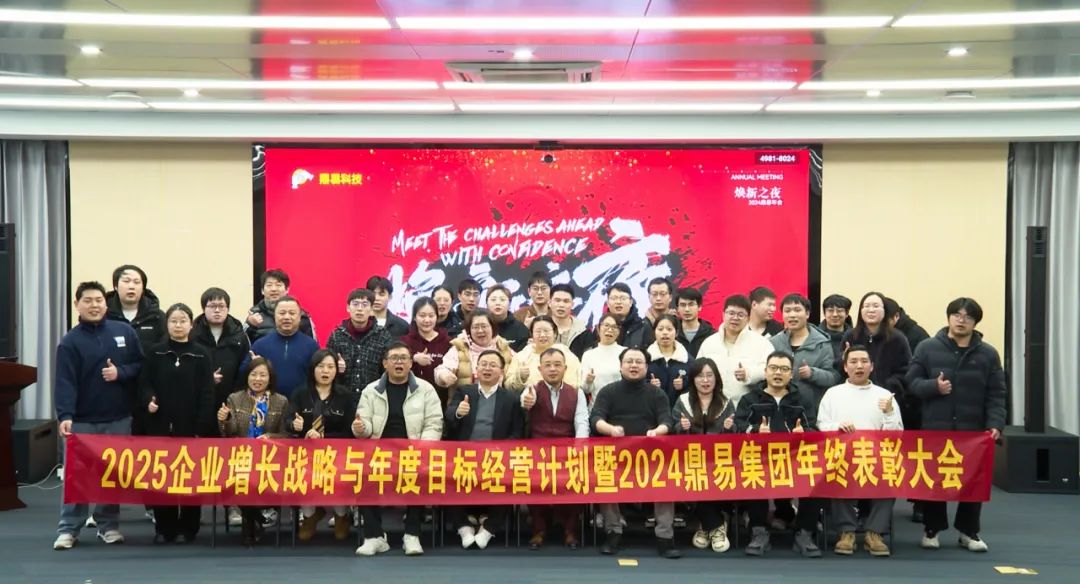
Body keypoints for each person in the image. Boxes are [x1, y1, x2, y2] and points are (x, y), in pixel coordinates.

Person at [907, 297, 1006, 553]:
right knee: (934, 479)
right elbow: (912, 383)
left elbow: (997, 394)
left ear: (975, 322)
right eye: (957, 315)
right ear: (949, 317)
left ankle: (968, 531)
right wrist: (934, 387)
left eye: (968, 317)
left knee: (972, 481)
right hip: (935, 427)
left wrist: (995, 423)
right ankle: (932, 529)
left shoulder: (988, 354)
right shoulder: (927, 348)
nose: (962, 321)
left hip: (973, 430)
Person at [53, 282, 144, 551]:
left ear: (106, 303)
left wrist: (120, 373)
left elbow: (140, 365)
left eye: (98, 300)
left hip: (117, 417)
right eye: (88, 301)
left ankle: (108, 525)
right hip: (82, 420)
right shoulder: (70, 342)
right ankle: (69, 529)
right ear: (77, 305)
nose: (94, 305)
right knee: (77, 476)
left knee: (111, 475)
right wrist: (65, 415)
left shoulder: (124, 332)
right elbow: (65, 382)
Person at [353, 342, 444, 556]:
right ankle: (374, 536)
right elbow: (364, 425)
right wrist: (360, 428)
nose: (399, 362)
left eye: (404, 358)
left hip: (414, 451)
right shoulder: (371, 391)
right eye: (394, 358)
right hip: (379, 453)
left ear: (411, 363)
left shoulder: (425, 389)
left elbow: (434, 423)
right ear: (385, 363)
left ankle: (412, 534)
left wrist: (423, 448)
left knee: (420, 474)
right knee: (362, 475)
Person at [591, 347, 679, 559]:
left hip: (650, 456)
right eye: (629, 361)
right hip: (616, 456)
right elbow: (596, 419)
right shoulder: (608, 391)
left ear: (646, 367)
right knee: (604, 477)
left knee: (666, 479)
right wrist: (611, 429)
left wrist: (657, 432)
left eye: (639, 362)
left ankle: (665, 537)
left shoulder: (657, 394)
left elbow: (667, 422)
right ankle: (613, 532)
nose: (633, 365)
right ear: (621, 366)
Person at [139, 303, 215, 544]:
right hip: (160, 424)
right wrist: (149, 399)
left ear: (191, 325)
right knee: (162, 478)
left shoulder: (202, 354)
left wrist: (201, 427)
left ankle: (189, 528)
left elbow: (207, 393)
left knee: (191, 478)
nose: (178, 325)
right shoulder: (155, 352)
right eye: (173, 321)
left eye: (183, 321)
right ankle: (164, 527)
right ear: (167, 324)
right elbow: (144, 383)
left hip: (191, 426)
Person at [734, 351, 822, 558]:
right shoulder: (749, 399)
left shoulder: (802, 399)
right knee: (752, 472)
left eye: (784, 369)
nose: (778, 373)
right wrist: (756, 431)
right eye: (773, 368)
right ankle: (759, 532)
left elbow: (813, 428)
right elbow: (738, 428)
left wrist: (804, 433)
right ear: (765, 372)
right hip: (761, 459)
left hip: (794, 459)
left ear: (791, 374)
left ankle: (805, 533)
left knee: (816, 475)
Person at [817, 345, 903, 557]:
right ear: (845, 367)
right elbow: (821, 424)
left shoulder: (885, 396)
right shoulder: (833, 394)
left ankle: (875, 533)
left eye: (864, 361)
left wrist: (889, 413)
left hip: (876, 458)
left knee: (891, 475)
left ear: (871, 367)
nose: (859, 366)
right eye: (853, 362)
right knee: (834, 473)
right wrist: (837, 426)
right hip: (842, 456)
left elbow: (896, 435)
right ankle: (846, 531)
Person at [445, 350, 524, 550]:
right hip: (465, 456)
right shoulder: (465, 392)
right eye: (483, 364)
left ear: (502, 371)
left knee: (511, 483)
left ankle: (488, 529)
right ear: (476, 368)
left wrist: (502, 450)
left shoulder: (511, 398)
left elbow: (518, 432)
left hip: (496, 458)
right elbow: (449, 419)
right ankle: (464, 528)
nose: (487, 368)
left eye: (493, 365)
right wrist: (458, 413)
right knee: (445, 481)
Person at [520, 348, 589, 550]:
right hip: (537, 452)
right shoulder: (531, 390)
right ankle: (539, 530)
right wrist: (526, 402)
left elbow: (582, 422)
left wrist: (579, 448)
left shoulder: (576, 393)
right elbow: (524, 401)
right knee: (533, 483)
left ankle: (570, 530)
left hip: (567, 452)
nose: (552, 369)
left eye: (557, 365)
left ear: (565, 368)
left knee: (576, 480)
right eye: (548, 365)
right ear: (540, 369)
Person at [217, 358, 290, 545]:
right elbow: (229, 433)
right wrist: (225, 420)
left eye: (262, 375)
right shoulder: (235, 398)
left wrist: (270, 437)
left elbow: (286, 434)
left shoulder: (280, 401)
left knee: (256, 478)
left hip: (269, 459)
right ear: (247, 376)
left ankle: (251, 522)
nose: (257, 379)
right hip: (240, 458)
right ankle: (256, 519)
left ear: (270, 378)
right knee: (242, 478)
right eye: (254, 374)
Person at [288, 349, 355, 542]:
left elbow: (349, 431)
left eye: (330, 367)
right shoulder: (300, 393)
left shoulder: (344, 395)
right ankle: (309, 515)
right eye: (321, 366)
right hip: (306, 453)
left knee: (338, 474)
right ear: (313, 369)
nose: (325, 371)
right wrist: (294, 425)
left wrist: (324, 437)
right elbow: (288, 421)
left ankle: (341, 515)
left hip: (337, 454)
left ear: (336, 371)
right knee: (300, 472)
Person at [672, 358, 736, 553]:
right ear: (693, 379)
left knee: (717, 475)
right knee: (691, 476)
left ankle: (706, 526)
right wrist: (681, 427)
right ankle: (716, 525)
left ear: (717, 379)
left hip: (719, 460)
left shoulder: (726, 402)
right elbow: (673, 431)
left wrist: (729, 429)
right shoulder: (683, 401)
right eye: (700, 376)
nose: (705, 380)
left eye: (710, 376)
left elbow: (735, 438)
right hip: (690, 460)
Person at [697, 294, 775, 408]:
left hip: (748, 407)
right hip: (713, 407)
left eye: (740, 314)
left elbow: (771, 370)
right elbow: (697, 371)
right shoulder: (709, 343)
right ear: (723, 314)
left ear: (748, 318)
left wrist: (748, 374)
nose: (735, 318)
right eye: (731, 313)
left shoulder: (762, 343)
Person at [840, 292, 911, 411]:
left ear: (885, 311)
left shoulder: (898, 338)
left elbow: (907, 370)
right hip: (854, 397)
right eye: (866, 306)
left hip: (886, 399)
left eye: (876, 306)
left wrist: (889, 385)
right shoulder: (850, 336)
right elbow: (839, 369)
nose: (871, 310)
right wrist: (843, 359)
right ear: (861, 311)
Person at [242, 296, 319, 399]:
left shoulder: (312, 346)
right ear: (274, 316)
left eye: (292, 313)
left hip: (302, 404)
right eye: (282, 313)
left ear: (300, 317)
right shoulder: (260, 345)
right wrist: (253, 366)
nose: (287, 317)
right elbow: (242, 375)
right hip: (268, 404)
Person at [770, 293, 841, 404]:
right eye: (787, 311)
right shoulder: (773, 342)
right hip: (778, 403)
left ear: (807, 313)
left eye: (797, 310)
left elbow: (832, 378)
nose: (792, 315)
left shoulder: (822, 343)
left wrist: (812, 373)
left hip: (808, 406)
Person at [434, 309, 514, 403]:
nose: (480, 330)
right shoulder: (459, 348)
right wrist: (444, 375)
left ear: (493, 327)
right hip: (464, 404)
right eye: (475, 327)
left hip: (498, 404)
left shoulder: (504, 348)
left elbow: (516, 374)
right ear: (469, 330)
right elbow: (444, 369)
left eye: (484, 326)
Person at [326, 288, 393, 395]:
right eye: (355, 304)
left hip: (373, 397)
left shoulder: (383, 336)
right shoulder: (336, 336)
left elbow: (388, 370)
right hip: (342, 398)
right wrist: (336, 368)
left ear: (371, 309)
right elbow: (326, 370)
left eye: (365, 304)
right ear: (348, 308)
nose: (359, 309)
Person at [191, 287, 250, 406]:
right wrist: (207, 379)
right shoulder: (192, 335)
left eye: (221, 306)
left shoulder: (239, 335)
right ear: (203, 308)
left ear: (228, 309)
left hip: (232, 399)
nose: (217, 310)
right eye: (212, 306)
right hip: (198, 398)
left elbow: (245, 368)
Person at [505, 316, 581, 395]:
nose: (542, 335)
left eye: (546, 331)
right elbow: (508, 386)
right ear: (532, 334)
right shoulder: (522, 356)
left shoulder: (566, 355)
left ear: (555, 333)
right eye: (538, 331)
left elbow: (574, 383)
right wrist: (520, 377)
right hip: (528, 400)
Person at [400, 297, 452, 403]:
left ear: (437, 317)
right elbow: (395, 364)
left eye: (431, 316)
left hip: (440, 399)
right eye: (422, 315)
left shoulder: (447, 342)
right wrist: (413, 358)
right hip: (410, 398)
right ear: (414, 317)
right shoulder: (404, 342)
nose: (427, 320)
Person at [245, 269, 315, 342]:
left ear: (287, 289)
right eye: (269, 285)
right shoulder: (254, 314)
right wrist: (250, 325)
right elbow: (242, 344)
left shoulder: (302, 316)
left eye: (278, 285)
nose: (274, 289)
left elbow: (312, 345)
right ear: (262, 290)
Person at [105, 264, 165, 350]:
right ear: (116, 286)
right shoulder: (104, 315)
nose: (131, 286)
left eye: (136, 282)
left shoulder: (157, 316)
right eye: (126, 281)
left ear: (143, 288)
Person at [578, 313, 626, 402]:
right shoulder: (588, 355)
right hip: (597, 406)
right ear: (598, 328)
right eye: (606, 325)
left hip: (621, 404)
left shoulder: (625, 352)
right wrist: (588, 381)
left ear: (618, 332)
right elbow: (585, 389)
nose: (610, 330)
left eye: (614, 327)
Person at [646, 315, 690, 406]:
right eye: (660, 329)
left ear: (676, 333)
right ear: (654, 332)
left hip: (679, 410)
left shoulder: (686, 359)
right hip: (651, 409)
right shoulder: (645, 359)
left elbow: (695, 385)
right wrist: (648, 385)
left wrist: (684, 384)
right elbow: (636, 383)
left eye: (669, 329)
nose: (665, 333)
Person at [605, 282, 653, 349]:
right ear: (607, 303)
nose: (618, 302)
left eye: (623, 298)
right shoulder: (601, 328)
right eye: (614, 298)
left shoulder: (643, 327)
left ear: (630, 302)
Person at [548, 283, 590, 358]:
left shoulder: (583, 331)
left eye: (566, 301)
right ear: (550, 303)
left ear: (572, 304)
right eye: (557, 300)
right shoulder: (539, 327)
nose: (561, 305)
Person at [486, 284, 530, 351]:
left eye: (502, 300)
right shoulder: (481, 327)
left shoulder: (520, 329)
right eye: (493, 300)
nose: (498, 303)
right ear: (486, 303)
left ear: (509, 304)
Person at [675, 287, 716, 359]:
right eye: (683, 305)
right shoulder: (672, 332)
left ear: (699, 307)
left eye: (691, 304)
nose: (687, 309)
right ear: (677, 308)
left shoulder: (711, 335)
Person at [820, 294, 853, 360]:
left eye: (839, 311)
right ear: (824, 313)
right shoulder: (815, 337)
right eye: (830, 310)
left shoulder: (854, 337)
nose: (835, 314)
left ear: (847, 313)